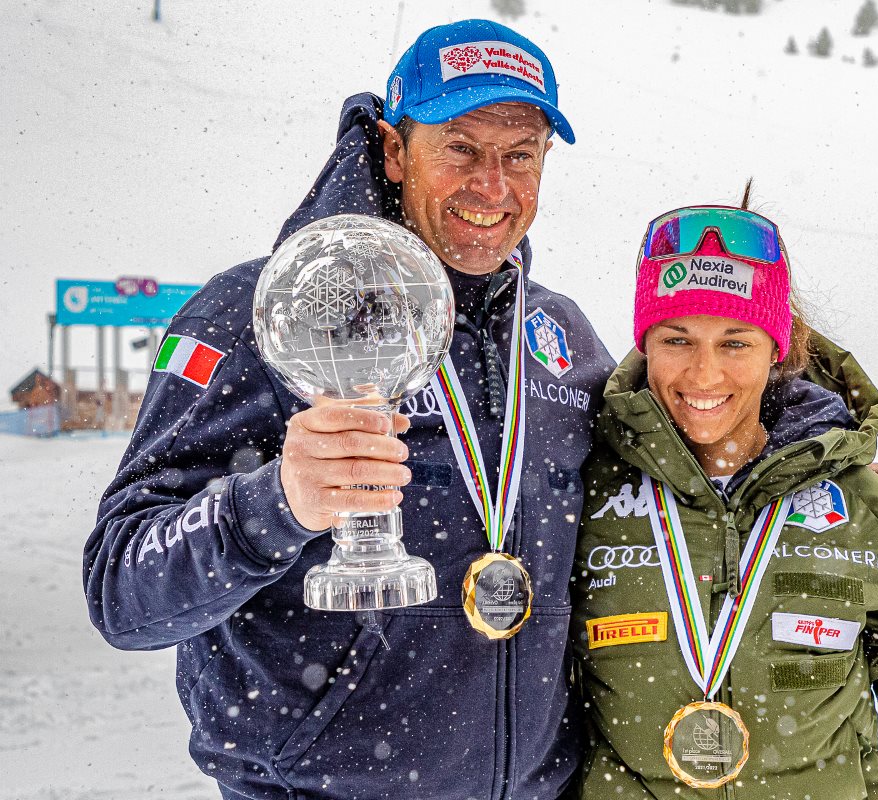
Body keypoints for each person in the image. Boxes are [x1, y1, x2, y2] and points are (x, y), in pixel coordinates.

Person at [83, 19, 615, 800]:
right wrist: (275, 504)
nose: (492, 187)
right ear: (396, 151)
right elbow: (122, 591)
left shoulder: (555, 336)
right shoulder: (259, 311)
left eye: (520, 155)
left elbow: (652, 493)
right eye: (461, 148)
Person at [570, 203, 878, 798]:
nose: (703, 374)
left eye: (735, 342)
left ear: (778, 349)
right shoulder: (583, 490)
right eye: (677, 339)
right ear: (645, 342)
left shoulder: (865, 505)